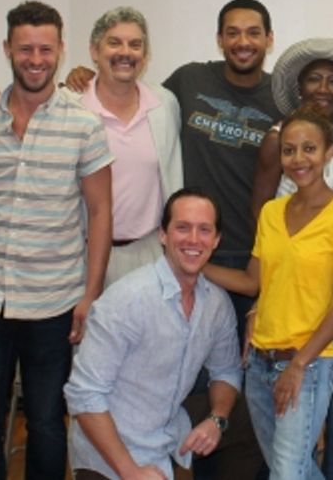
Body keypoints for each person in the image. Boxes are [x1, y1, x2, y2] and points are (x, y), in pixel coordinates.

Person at [67, 0, 278, 478]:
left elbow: (313, 122)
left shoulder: (271, 100)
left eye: (253, 32)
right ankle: (109, 460)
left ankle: (177, 450)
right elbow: (119, 79)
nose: (242, 41)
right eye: (232, 31)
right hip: (129, 252)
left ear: (269, 38)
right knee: (112, 367)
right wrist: (83, 75)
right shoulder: (184, 84)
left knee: (209, 371)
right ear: (218, 38)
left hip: (221, 254)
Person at [0, 0, 114, 480]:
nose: (35, 59)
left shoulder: (84, 124)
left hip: (54, 302)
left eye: (45, 49)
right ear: (7, 48)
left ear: (61, 51)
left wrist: (89, 295)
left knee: (48, 423)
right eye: (25, 48)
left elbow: (100, 212)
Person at [205, 107, 333, 480]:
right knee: (294, 471)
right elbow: (252, 282)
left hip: (307, 364)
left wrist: (298, 365)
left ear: (330, 153)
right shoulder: (272, 213)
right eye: (289, 150)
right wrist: (195, 267)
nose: (298, 159)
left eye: (309, 148)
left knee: (287, 475)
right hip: (258, 364)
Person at [0, 6, 183, 287]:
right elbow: (23, 102)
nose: (125, 52)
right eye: (114, 42)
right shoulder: (69, 105)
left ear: (145, 54)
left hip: (150, 252)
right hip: (82, 255)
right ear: (94, 51)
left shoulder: (164, 104)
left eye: (135, 44)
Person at [249, 36, 333, 480]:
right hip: (294, 297)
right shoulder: (279, 140)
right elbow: (260, 213)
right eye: (314, 78)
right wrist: (265, 296)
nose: (324, 88)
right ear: (299, 86)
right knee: (291, 452)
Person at [64, 188, 242, 480]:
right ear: (163, 235)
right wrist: (130, 471)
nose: (194, 240)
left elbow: (227, 370)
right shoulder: (126, 300)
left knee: (252, 420)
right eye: (182, 228)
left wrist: (217, 419)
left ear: (217, 240)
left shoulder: (216, 304)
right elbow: (84, 395)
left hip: (169, 442)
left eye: (204, 230)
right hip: (109, 456)